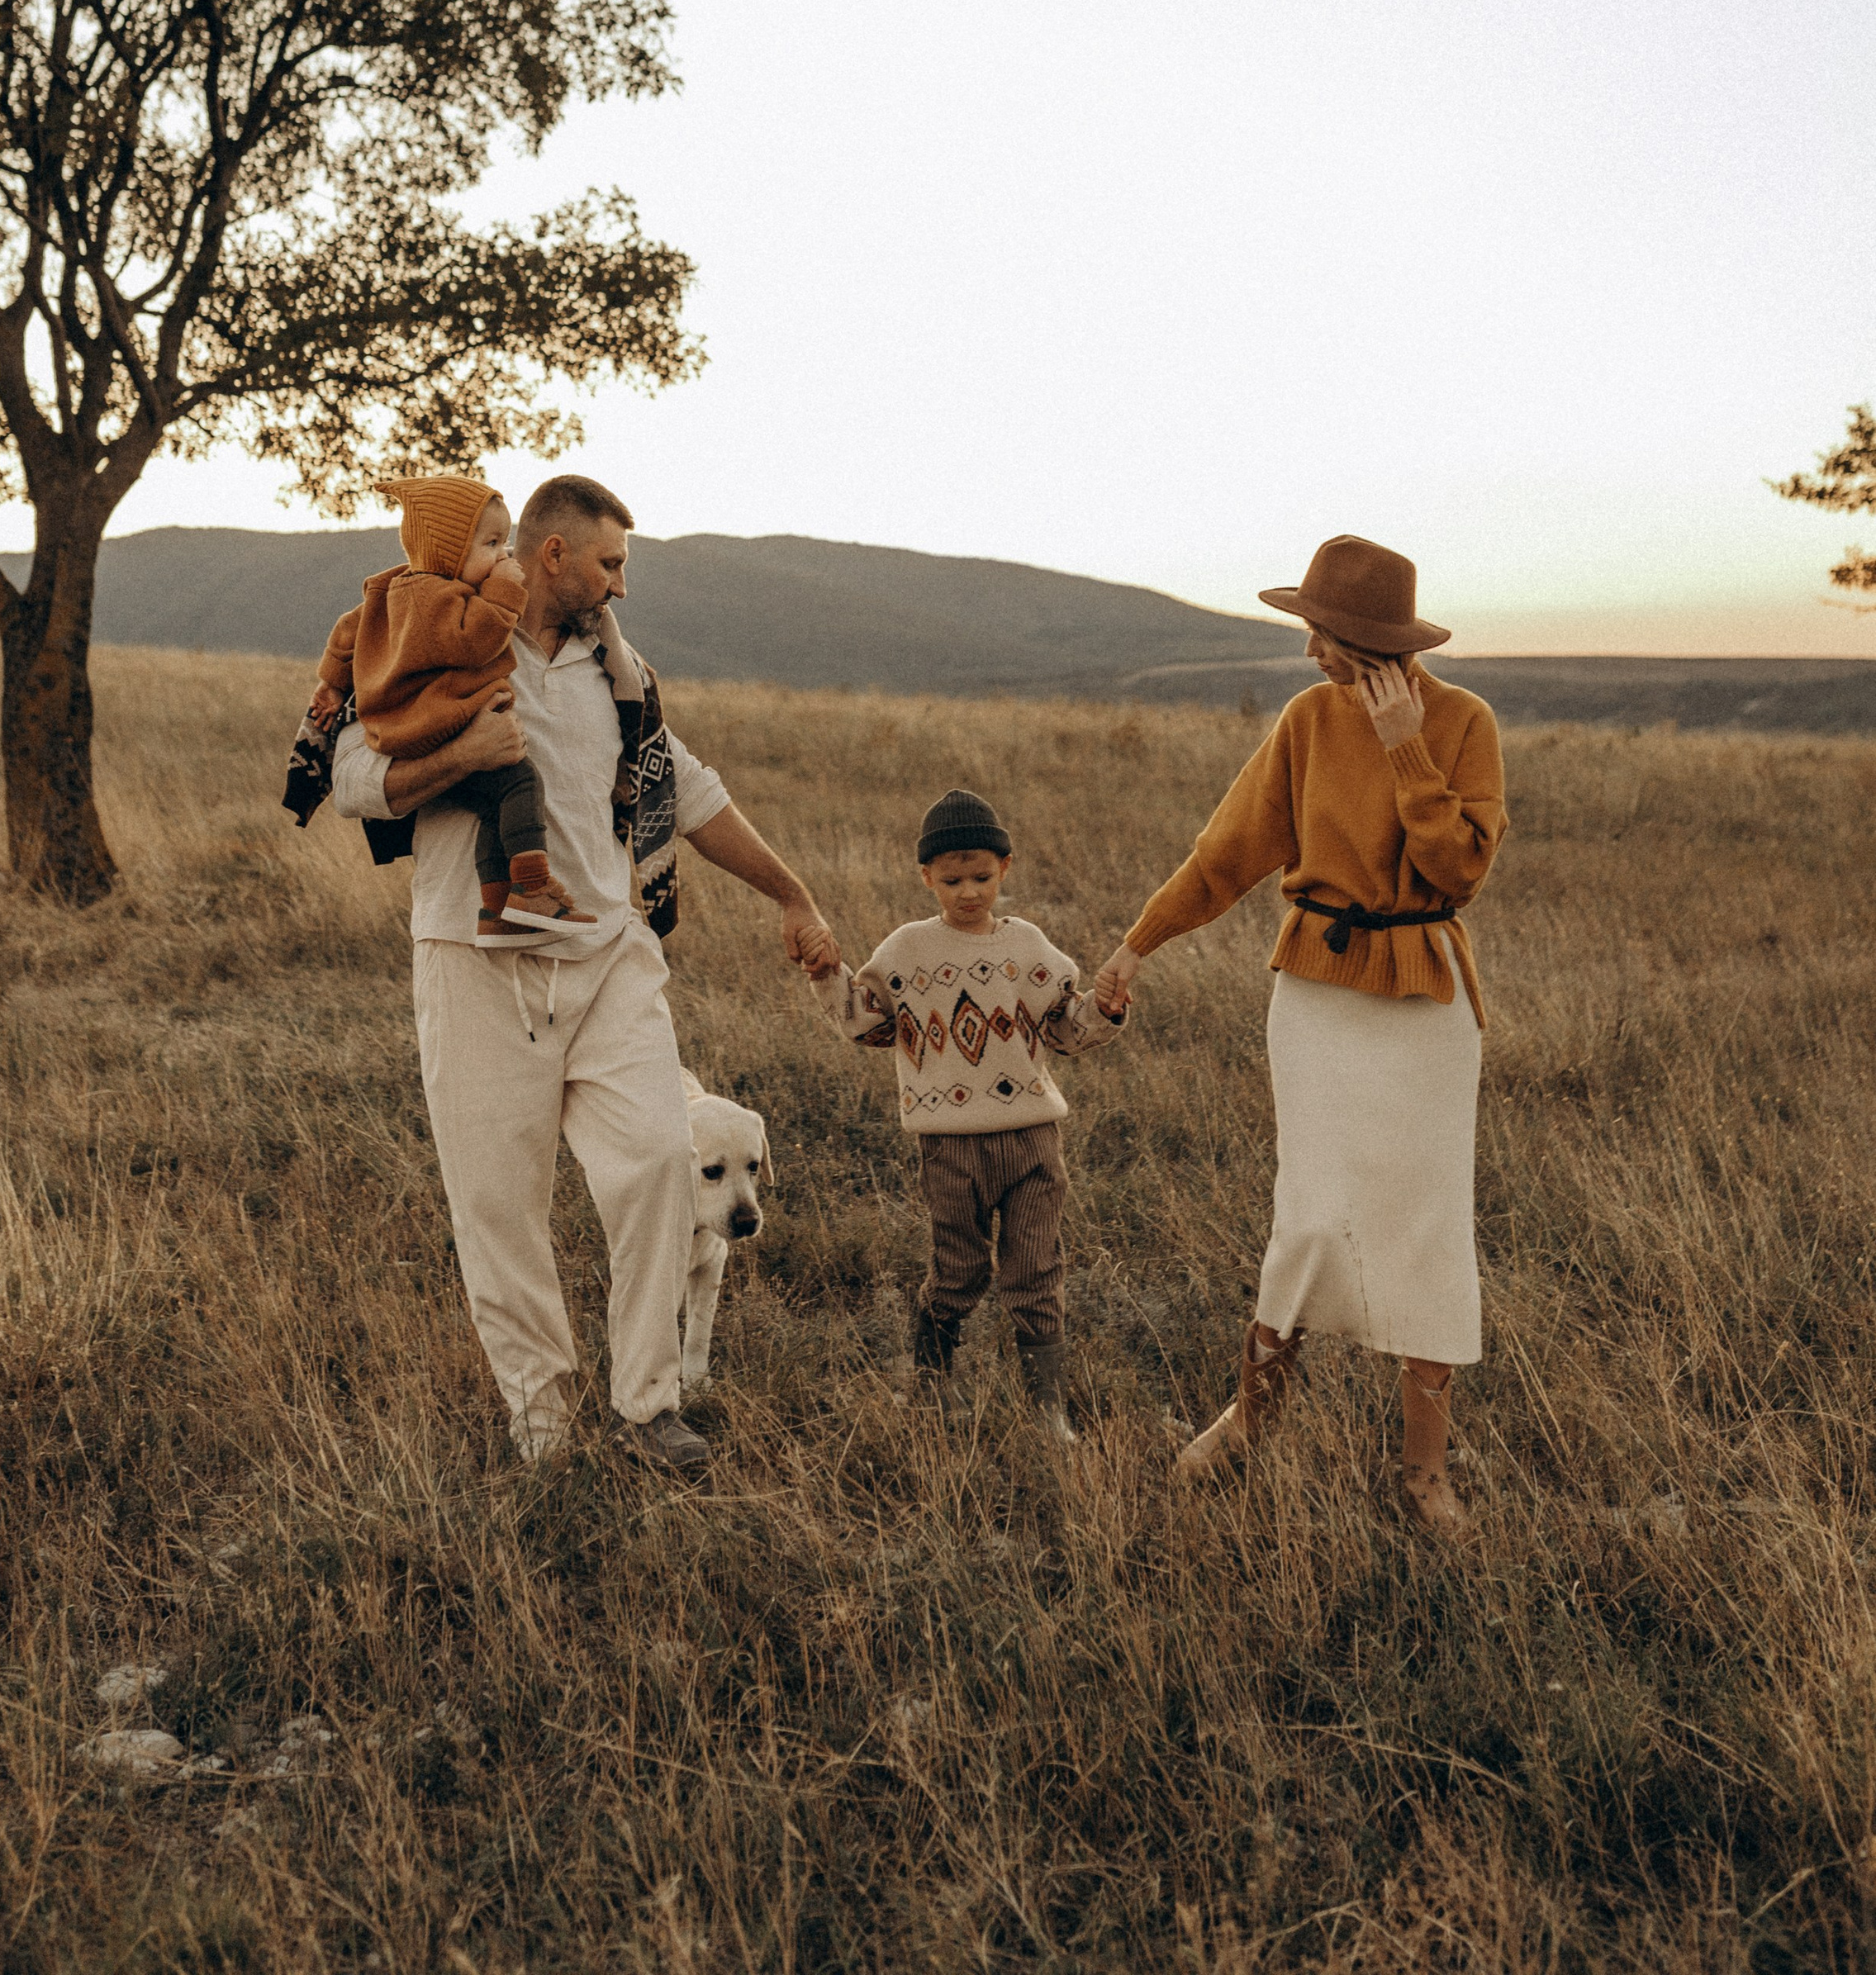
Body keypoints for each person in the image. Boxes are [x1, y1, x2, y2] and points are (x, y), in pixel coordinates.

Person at [332, 471, 840, 1477]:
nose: (621, 584)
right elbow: (354, 779)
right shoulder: (441, 648)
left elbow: (686, 792)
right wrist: (461, 752)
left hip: (610, 955)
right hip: (476, 962)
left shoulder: (619, 674)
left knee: (657, 1158)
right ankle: (543, 1423)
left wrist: (792, 895)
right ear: (551, 555)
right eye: (610, 563)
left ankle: (648, 1403)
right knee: (499, 1205)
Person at [1095, 536, 1507, 1536]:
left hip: (1425, 1004)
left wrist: (1408, 747)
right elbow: (1225, 854)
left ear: (1365, 640)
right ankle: (1250, 1418)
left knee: (1424, 1226)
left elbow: (1456, 871)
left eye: (1319, 634)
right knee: (1312, 1216)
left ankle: (1421, 1472)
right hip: (1316, 997)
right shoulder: (1306, 720)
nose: (1309, 650)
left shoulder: (1462, 723)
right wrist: (1133, 948)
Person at [809, 786, 1126, 1443]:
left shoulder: (1029, 947)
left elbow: (1067, 1029)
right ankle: (931, 1387)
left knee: (1035, 1268)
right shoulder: (906, 951)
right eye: (952, 880)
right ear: (927, 877)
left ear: (1005, 868)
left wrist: (1107, 1007)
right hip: (949, 1148)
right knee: (960, 1269)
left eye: (982, 876)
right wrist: (826, 974)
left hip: (1034, 1142)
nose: (968, 892)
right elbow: (867, 1027)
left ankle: (1049, 1411)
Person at [306, 473, 579, 931]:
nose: (503, 556)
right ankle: (532, 888)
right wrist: (507, 589)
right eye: (491, 544)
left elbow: (347, 633)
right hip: (437, 727)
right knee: (521, 784)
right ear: (448, 549)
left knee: (496, 802)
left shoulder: (392, 589)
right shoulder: (437, 597)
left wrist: (332, 684)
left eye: (504, 542)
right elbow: (476, 641)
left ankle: (498, 909)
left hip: (414, 736)